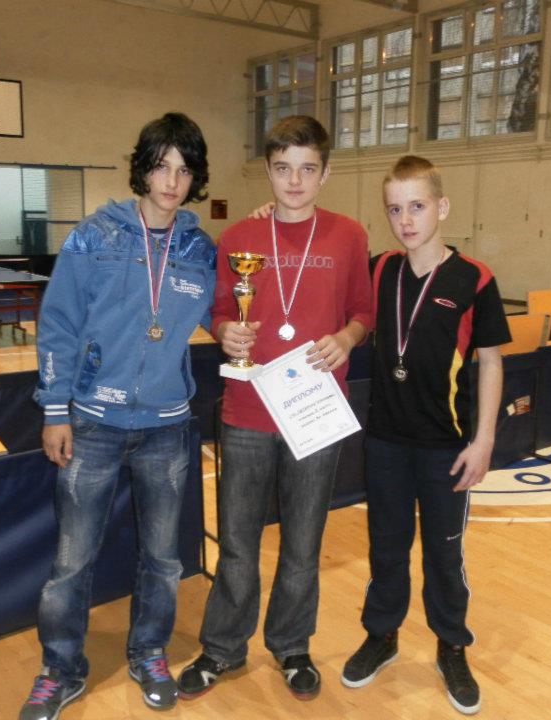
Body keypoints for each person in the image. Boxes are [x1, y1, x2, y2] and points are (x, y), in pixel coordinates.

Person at [19, 112, 216, 719]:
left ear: (195, 178)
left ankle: (149, 652)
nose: (172, 181)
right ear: (142, 170)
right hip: (93, 424)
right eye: (161, 167)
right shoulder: (93, 236)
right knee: (71, 562)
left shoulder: (201, 249)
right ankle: (60, 670)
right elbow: (58, 324)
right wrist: (56, 410)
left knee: (164, 559)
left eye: (184, 170)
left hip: (167, 428)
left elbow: (230, 303)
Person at [178, 115, 373, 701]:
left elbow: (363, 310)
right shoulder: (239, 237)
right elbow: (220, 309)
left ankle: (291, 646)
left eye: (307, 169)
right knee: (238, 543)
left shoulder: (349, 235)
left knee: (303, 544)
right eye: (283, 168)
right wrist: (225, 332)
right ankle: (222, 648)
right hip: (247, 411)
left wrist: (347, 339)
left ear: (325, 173)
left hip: (314, 412)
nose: (294, 181)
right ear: (267, 169)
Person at [339, 156, 510, 716]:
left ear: (442, 207)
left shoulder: (475, 279)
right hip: (386, 441)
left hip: (447, 446)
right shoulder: (379, 269)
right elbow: (327, 271)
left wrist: (484, 441)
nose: (406, 220)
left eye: (417, 206)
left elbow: (490, 362)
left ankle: (451, 644)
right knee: (386, 546)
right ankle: (382, 636)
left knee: (444, 552)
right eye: (395, 209)